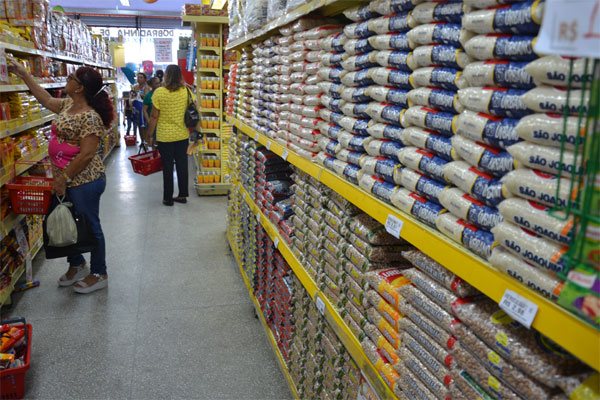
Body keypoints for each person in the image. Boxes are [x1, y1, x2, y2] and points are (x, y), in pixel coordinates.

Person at [8, 61, 114, 294]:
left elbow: (87, 154)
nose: (67, 79)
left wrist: (64, 177)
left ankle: (99, 273)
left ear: (80, 88)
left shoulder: (90, 117)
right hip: (64, 179)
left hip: (85, 181)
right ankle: (77, 264)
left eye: (71, 78)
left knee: (90, 225)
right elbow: (46, 100)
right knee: (67, 220)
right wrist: (24, 74)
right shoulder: (68, 104)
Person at [146, 64, 193, 206]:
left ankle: (168, 198)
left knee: (167, 166)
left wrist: (149, 135)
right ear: (180, 76)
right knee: (182, 165)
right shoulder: (186, 91)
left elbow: (154, 116)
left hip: (164, 136)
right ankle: (182, 195)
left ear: (166, 76)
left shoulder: (159, 92)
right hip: (182, 134)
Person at [132, 72, 150, 144]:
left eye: (141, 77)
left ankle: (146, 141)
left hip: (144, 109)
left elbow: (146, 96)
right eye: (138, 77)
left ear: (145, 79)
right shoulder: (135, 87)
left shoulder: (146, 87)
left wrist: (138, 94)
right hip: (137, 108)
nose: (139, 79)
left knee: (144, 126)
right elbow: (132, 95)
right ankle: (142, 141)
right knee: (139, 125)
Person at [142, 77, 161, 148]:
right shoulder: (148, 96)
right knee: (153, 141)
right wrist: (149, 121)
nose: (158, 85)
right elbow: (144, 110)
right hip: (152, 121)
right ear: (151, 85)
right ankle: (154, 152)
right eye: (156, 83)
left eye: (159, 83)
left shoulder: (162, 94)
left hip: (161, 122)